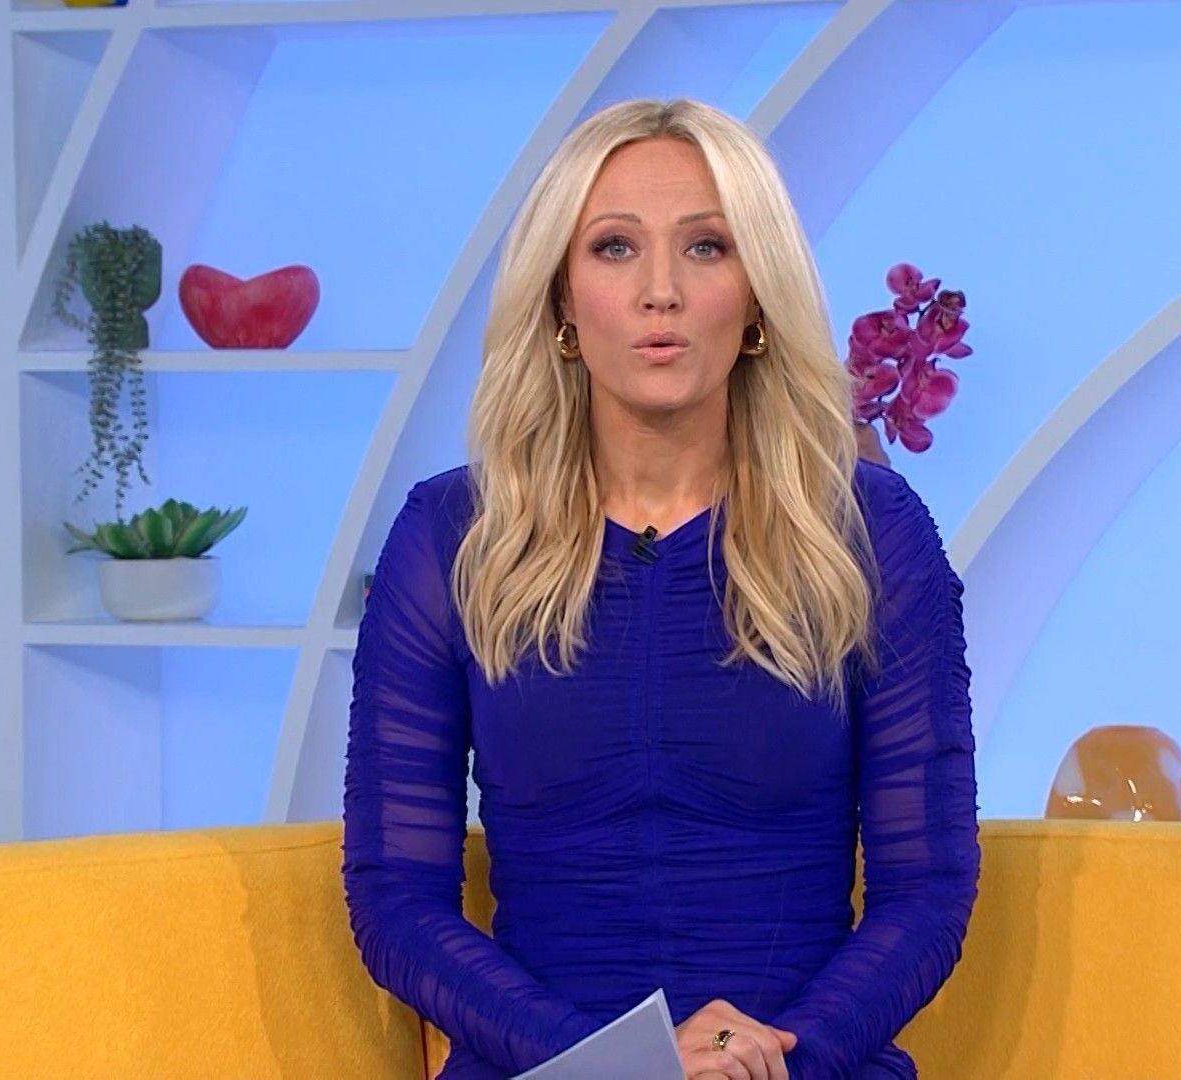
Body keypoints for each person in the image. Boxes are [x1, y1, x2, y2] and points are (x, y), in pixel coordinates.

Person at [342, 97, 980, 1080]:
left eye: (706, 247)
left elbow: (927, 889)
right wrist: (617, 1066)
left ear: (758, 295)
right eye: (614, 248)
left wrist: (776, 1059)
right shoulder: (450, 536)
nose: (660, 293)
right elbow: (396, 897)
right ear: (560, 298)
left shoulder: (872, 533)